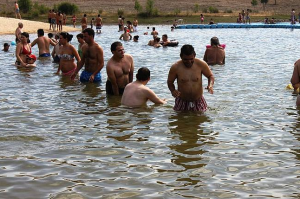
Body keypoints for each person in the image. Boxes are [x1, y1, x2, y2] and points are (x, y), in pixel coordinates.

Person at [167, 44, 214, 112]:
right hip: (182, 101)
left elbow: (210, 76)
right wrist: (173, 91)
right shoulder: (175, 67)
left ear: (194, 55)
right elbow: (170, 82)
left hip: (198, 100)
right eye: (185, 59)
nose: (189, 62)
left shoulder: (201, 64)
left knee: (200, 120)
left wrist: (210, 85)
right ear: (181, 56)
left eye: (191, 59)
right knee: (180, 121)